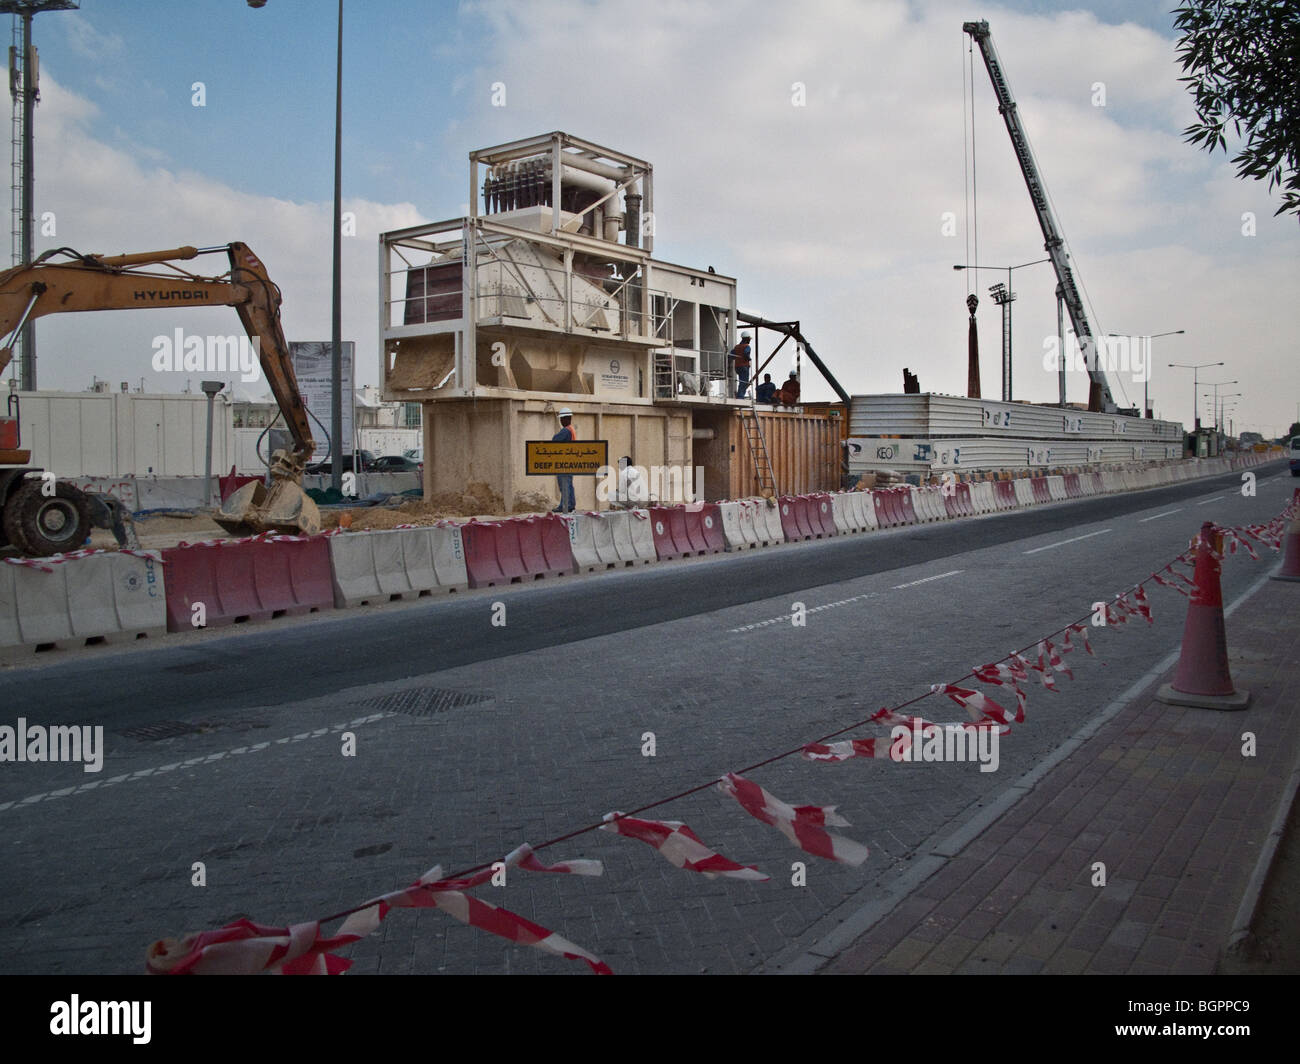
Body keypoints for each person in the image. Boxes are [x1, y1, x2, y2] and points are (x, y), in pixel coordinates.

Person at [552, 407, 577, 513]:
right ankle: (570, 504)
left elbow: (554, 440)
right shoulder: (571, 429)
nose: (561, 421)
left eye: (562, 419)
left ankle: (565, 505)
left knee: (564, 483)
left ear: (566, 418)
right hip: (569, 461)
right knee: (568, 483)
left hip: (564, 462)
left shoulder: (566, 431)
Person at [728, 332, 752, 399]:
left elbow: (731, 355)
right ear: (747, 338)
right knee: (744, 382)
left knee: (741, 381)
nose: (749, 340)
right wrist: (749, 358)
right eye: (749, 339)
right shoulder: (747, 346)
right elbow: (746, 353)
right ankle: (740, 396)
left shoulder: (737, 347)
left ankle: (739, 395)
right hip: (744, 366)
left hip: (737, 367)